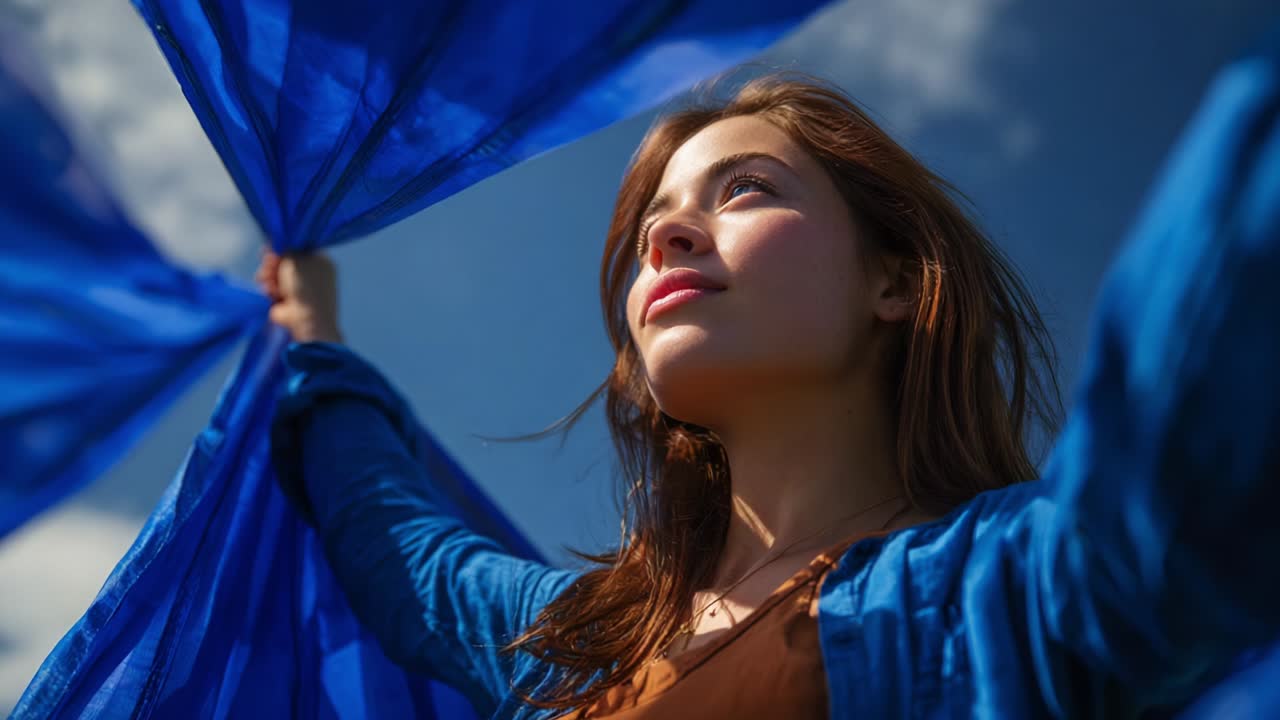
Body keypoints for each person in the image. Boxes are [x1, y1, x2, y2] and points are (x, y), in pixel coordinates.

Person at [261, 72, 1280, 719]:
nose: (665, 236)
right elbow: (403, 553)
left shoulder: (1004, 593)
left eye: (744, 189)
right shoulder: (574, 643)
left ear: (893, 281)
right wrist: (317, 341)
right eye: (653, 224)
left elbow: (1177, 473)